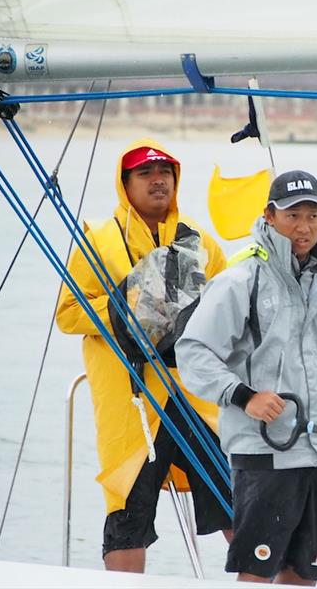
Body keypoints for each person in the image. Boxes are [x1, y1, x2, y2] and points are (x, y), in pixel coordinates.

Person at [175, 169, 317, 585]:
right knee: (258, 570)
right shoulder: (241, 278)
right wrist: (244, 396)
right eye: (292, 215)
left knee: (305, 573)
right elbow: (194, 350)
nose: (303, 227)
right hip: (264, 452)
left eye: (313, 215)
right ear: (269, 215)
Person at [56, 138, 232, 572]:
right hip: (131, 403)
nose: (158, 181)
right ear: (125, 183)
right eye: (145, 174)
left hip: (194, 399)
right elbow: (68, 313)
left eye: (166, 173)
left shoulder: (201, 242)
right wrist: (124, 309)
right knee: (127, 513)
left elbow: (230, 305)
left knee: (237, 498)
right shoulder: (97, 239)